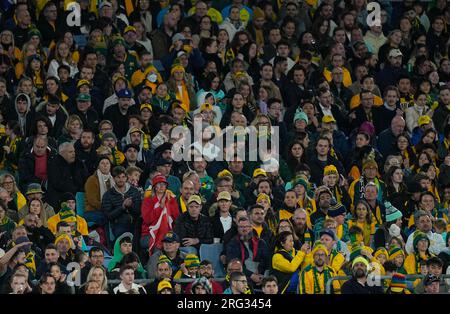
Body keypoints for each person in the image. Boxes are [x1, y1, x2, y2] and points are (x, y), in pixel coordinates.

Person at [140, 174, 180, 255]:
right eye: (159, 184)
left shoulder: (171, 200)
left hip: (167, 233)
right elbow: (147, 219)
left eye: (164, 184)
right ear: (154, 186)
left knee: (168, 243)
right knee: (159, 245)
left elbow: (176, 218)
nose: (162, 186)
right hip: (149, 234)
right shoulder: (147, 201)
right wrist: (160, 207)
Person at [102, 166, 141, 238]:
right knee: (124, 237)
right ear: (113, 178)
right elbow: (109, 216)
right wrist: (122, 207)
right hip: (119, 224)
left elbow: (139, 211)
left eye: (123, 177)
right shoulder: (108, 195)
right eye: (118, 177)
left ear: (126, 178)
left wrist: (130, 205)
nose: (121, 179)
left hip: (136, 223)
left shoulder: (134, 191)